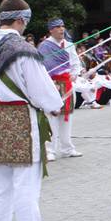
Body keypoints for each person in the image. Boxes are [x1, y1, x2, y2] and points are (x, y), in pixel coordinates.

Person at [0, 0, 65, 221]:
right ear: (19, 20)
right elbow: (41, 90)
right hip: (21, 119)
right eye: (25, 21)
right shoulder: (24, 49)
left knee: (1, 186)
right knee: (26, 186)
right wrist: (55, 104)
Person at [38, 18, 83, 161]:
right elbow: (41, 66)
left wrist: (75, 74)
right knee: (51, 117)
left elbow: (76, 63)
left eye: (63, 26)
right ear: (51, 30)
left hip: (67, 84)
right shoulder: (44, 47)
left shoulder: (69, 45)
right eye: (57, 27)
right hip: (51, 84)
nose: (61, 29)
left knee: (66, 118)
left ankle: (67, 148)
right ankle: (50, 150)